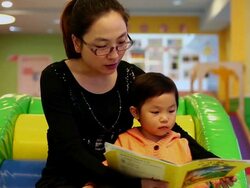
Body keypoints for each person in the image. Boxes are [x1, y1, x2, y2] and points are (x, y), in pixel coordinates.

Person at [35, 0, 231, 187]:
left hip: (121, 176)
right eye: (102, 47)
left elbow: (172, 128)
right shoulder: (56, 77)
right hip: (70, 177)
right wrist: (134, 184)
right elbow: (71, 149)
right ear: (77, 42)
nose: (114, 55)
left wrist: (213, 164)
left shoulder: (131, 75)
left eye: (121, 42)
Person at [113, 72, 237, 188]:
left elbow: (196, 182)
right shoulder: (124, 142)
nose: (165, 118)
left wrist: (219, 179)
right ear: (135, 112)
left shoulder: (181, 144)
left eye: (171, 111)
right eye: (155, 112)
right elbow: (108, 177)